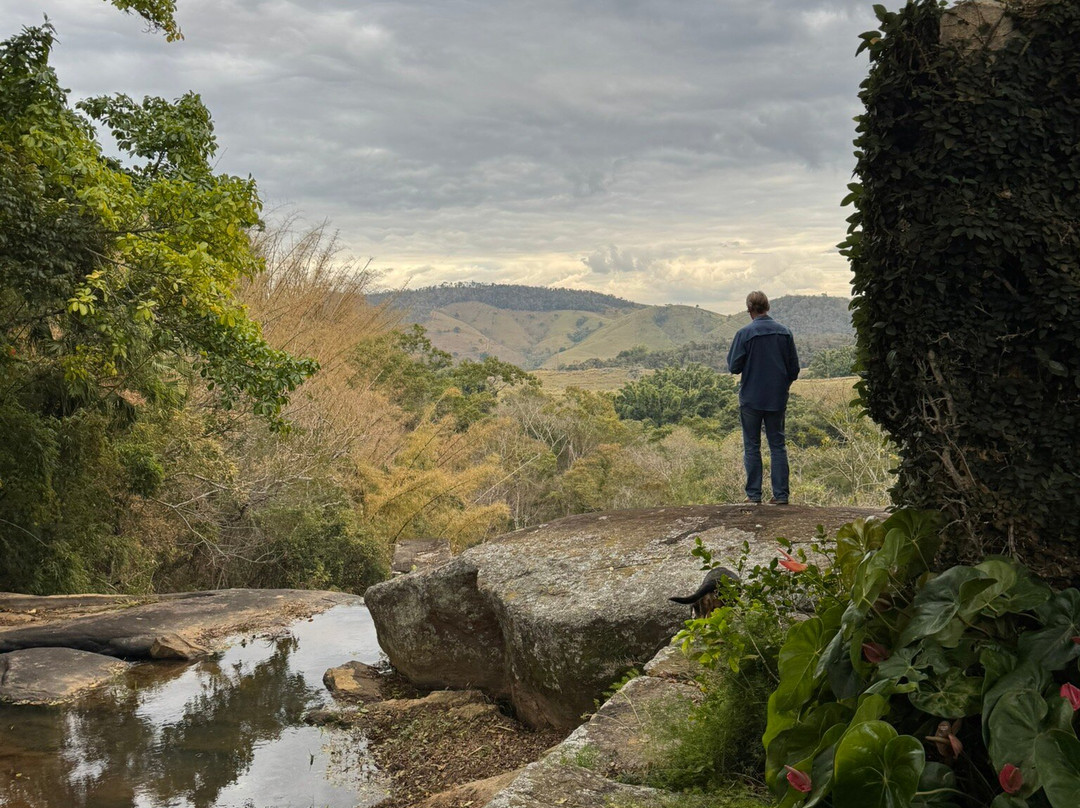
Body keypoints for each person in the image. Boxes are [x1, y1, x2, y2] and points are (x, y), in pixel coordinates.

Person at [726, 291, 800, 504]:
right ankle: (781, 495)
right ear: (767, 306)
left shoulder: (744, 334)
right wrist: (782, 385)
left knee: (751, 445)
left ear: (749, 309)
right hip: (776, 398)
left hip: (751, 398)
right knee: (777, 445)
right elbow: (794, 369)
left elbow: (734, 366)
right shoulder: (785, 333)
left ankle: (754, 495)